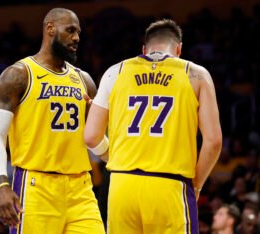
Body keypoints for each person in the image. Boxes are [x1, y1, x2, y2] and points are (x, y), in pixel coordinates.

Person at [84, 19, 222, 233]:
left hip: (122, 186)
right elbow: (213, 142)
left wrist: (115, 157)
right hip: (170, 185)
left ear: (144, 49)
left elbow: (91, 136)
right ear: (179, 49)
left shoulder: (115, 71)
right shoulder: (196, 74)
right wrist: (196, 184)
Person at [0, 8, 104, 234]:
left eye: (78, 32)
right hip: (36, 186)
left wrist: (117, 160)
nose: (77, 37)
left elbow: (95, 138)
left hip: (80, 187)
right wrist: (1, 184)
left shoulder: (84, 80)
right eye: (70, 30)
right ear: (50, 29)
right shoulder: (19, 74)